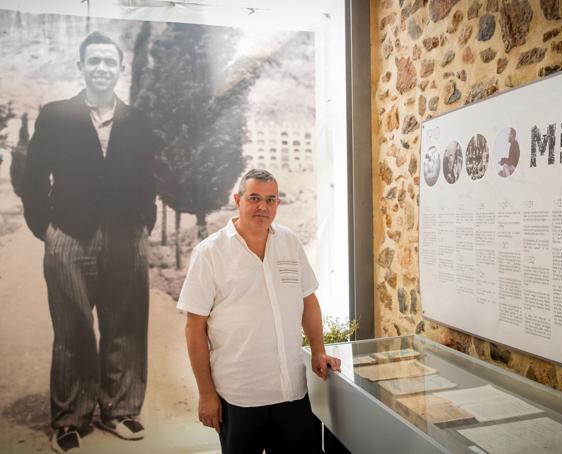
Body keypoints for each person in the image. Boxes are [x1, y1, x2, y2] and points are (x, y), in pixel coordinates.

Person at [21, 32, 158, 453]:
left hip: (125, 237)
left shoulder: (137, 120)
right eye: (93, 61)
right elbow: (32, 177)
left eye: (108, 62)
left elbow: (148, 177)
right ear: (81, 66)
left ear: (119, 68)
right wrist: (45, 228)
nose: (101, 68)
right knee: (72, 329)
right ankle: (71, 417)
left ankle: (120, 410)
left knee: (126, 325)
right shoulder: (56, 115)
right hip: (68, 235)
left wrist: (143, 225)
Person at [177, 169, 341, 454]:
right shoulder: (210, 253)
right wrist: (206, 394)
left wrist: (318, 350)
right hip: (239, 398)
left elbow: (308, 301)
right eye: (254, 198)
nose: (262, 206)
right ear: (238, 200)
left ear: (277, 204)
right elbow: (194, 328)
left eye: (270, 199)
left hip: (291, 393)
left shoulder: (289, 242)